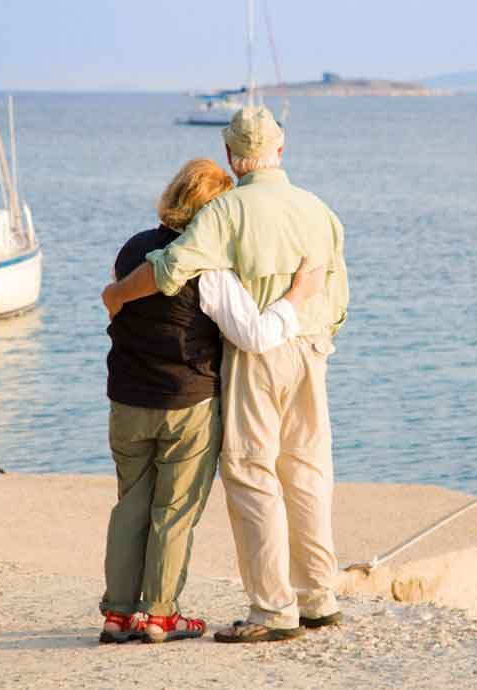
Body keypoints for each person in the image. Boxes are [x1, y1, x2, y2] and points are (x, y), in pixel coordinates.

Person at [102, 106, 349, 643]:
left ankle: (272, 611)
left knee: (252, 475)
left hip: (259, 354)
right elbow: (340, 298)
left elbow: (172, 267)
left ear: (234, 158)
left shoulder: (227, 210)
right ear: (280, 151)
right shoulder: (319, 209)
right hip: (313, 349)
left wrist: (118, 294)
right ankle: (319, 598)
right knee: (307, 473)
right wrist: (315, 332)